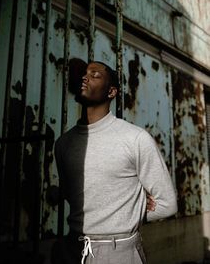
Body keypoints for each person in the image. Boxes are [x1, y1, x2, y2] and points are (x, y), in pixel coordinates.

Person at [53, 61, 177, 264]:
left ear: (111, 92)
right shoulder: (63, 143)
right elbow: (72, 195)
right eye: (84, 74)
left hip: (119, 251)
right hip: (72, 248)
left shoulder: (135, 138)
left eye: (95, 75)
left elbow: (167, 204)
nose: (85, 77)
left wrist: (129, 210)